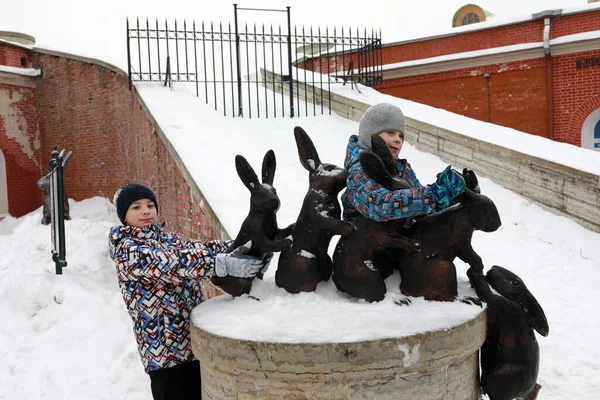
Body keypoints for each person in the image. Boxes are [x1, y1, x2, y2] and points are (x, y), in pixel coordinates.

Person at [108, 183, 270, 400]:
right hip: (164, 355)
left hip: (191, 345)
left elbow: (199, 249)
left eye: (149, 205)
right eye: (136, 207)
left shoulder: (167, 239)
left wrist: (242, 246)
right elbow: (173, 263)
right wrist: (220, 264)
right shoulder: (127, 250)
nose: (146, 211)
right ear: (123, 216)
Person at [342, 102, 477, 223]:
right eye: (390, 132)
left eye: (401, 135)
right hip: (366, 248)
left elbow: (424, 211)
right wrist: (432, 195)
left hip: (402, 245)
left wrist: (458, 194)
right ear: (369, 133)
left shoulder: (401, 170)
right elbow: (379, 205)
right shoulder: (359, 171)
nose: (398, 140)